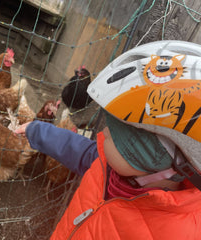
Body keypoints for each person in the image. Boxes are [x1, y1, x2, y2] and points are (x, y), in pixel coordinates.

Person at [15, 40, 201, 239]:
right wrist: (38, 131)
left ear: (161, 162)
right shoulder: (109, 165)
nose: (104, 133)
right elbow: (80, 150)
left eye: (117, 137)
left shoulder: (177, 233)